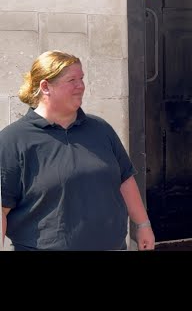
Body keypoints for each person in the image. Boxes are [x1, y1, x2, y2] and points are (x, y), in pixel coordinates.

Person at [0, 50, 155, 251]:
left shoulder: (100, 129)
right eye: (72, 80)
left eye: (81, 78)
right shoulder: (13, 140)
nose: (81, 86)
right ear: (45, 86)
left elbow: (125, 179)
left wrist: (143, 225)